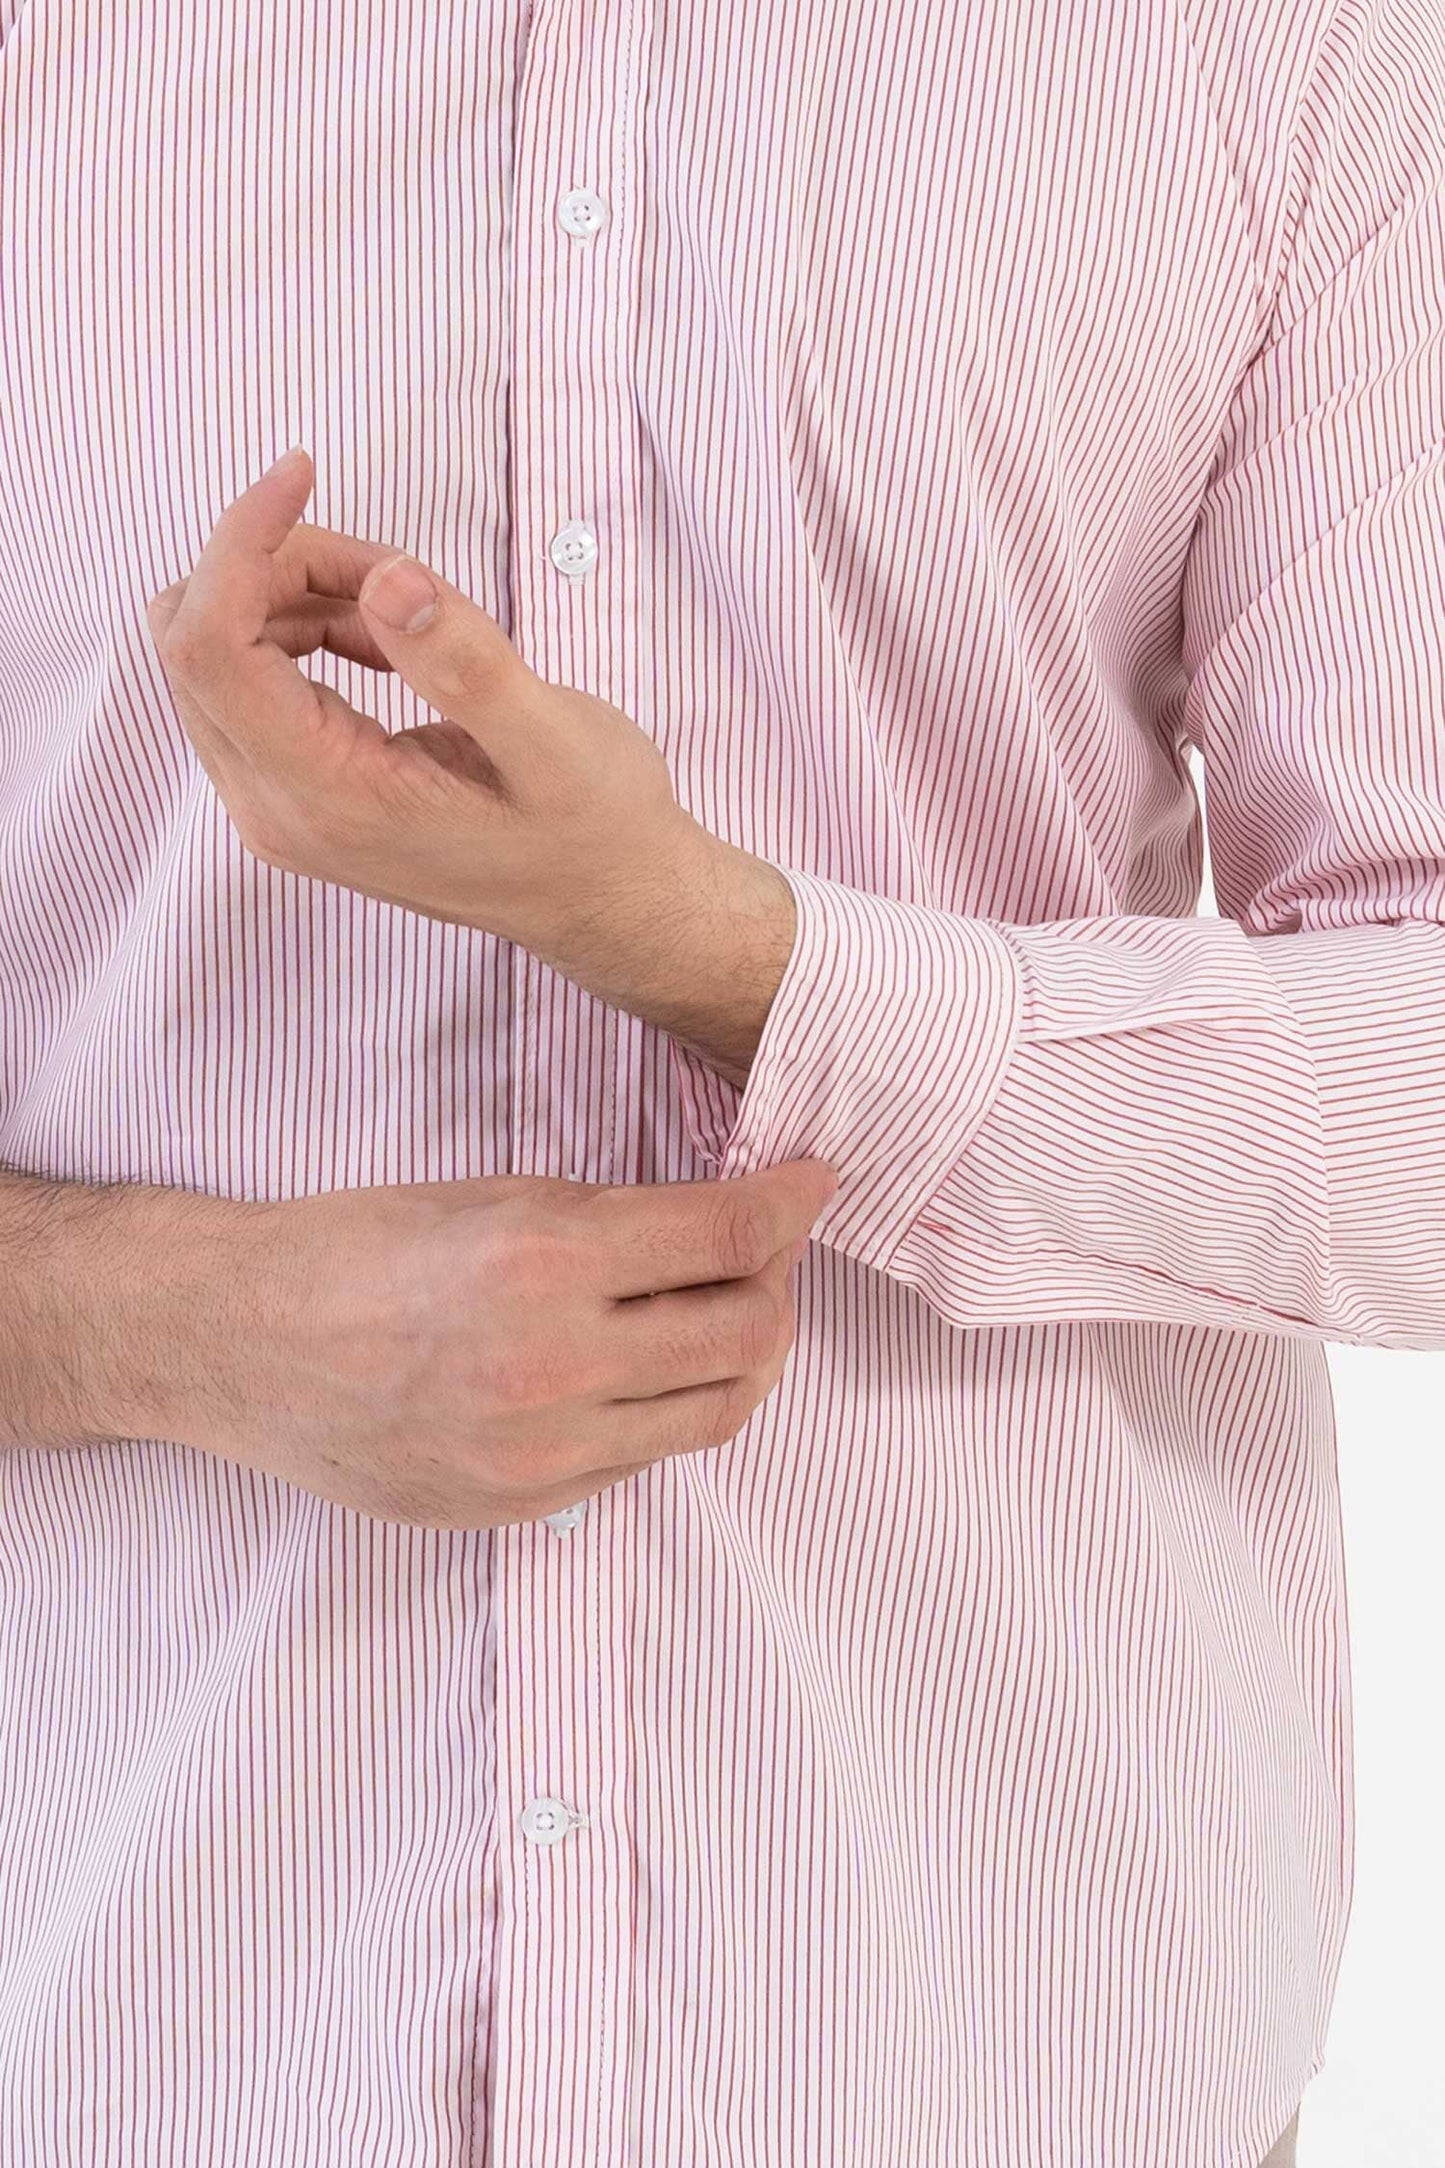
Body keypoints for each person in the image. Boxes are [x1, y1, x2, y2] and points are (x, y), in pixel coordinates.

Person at [0, 0, 1439, 2159]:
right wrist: (170, 1323)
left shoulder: (1290, 53)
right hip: (131, 2050)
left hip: (1017, 2054)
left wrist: (732, 959)